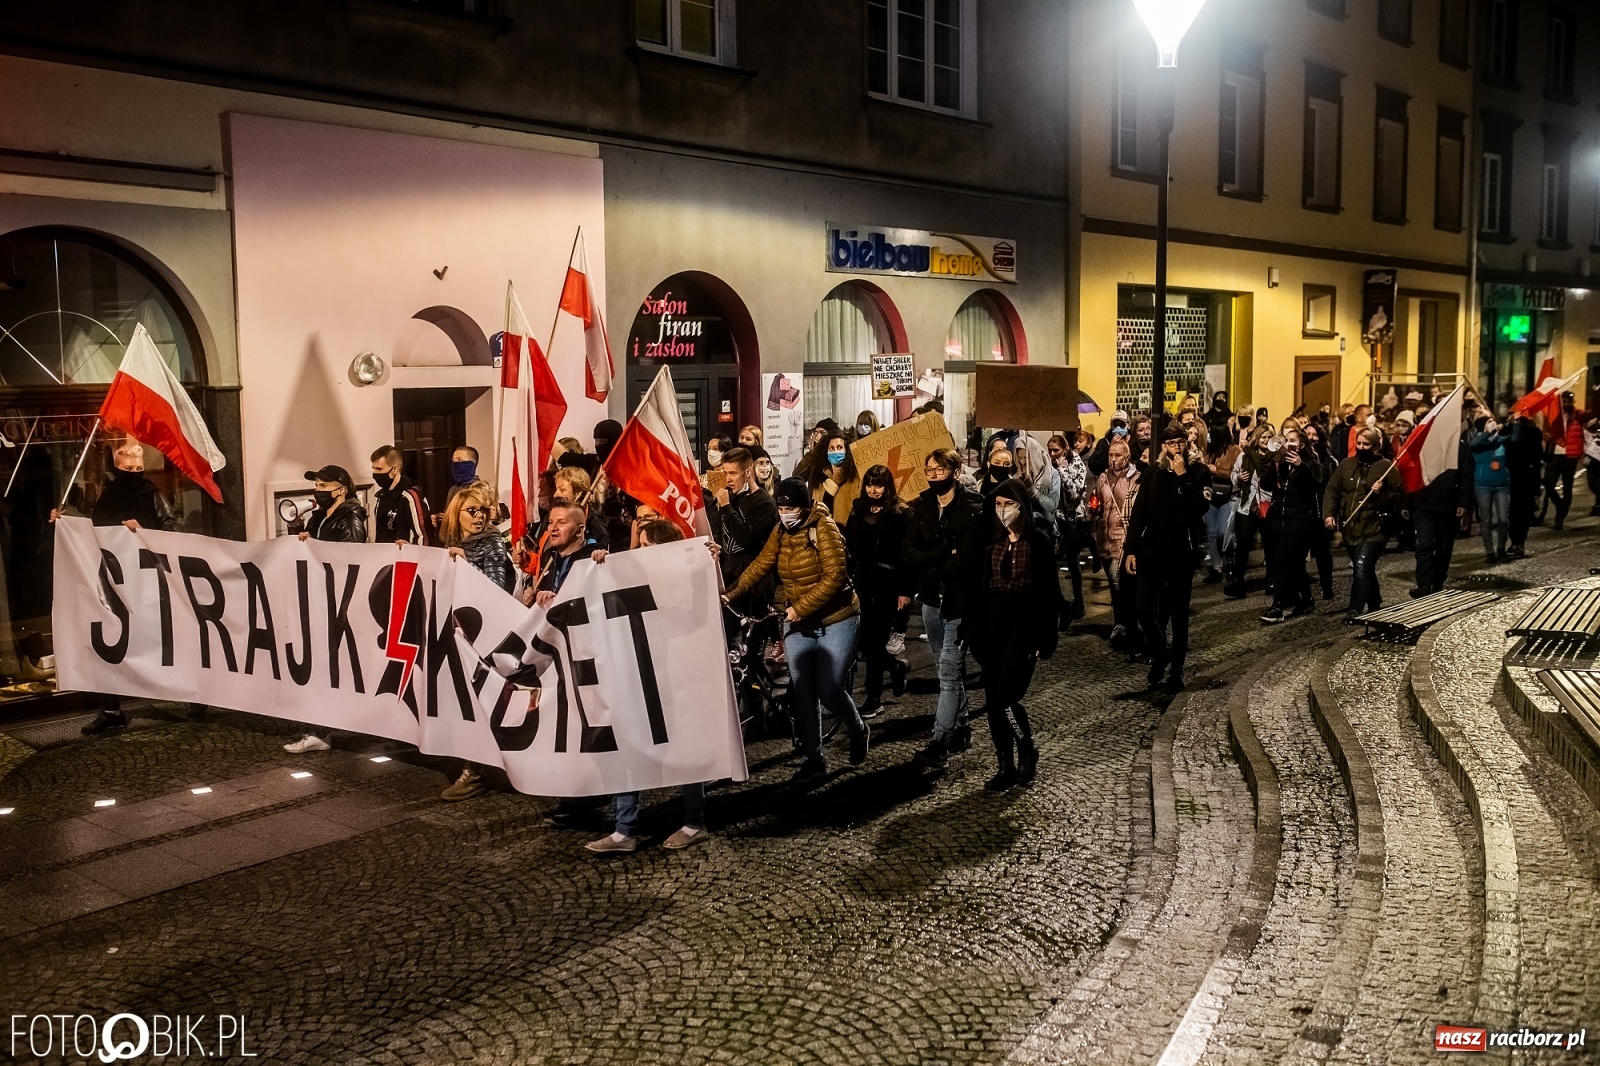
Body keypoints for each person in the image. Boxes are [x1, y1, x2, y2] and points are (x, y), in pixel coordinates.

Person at [724, 478, 870, 782]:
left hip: (837, 617)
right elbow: (762, 563)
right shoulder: (781, 531)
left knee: (829, 688)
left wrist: (799, 608)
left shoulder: (824, 529)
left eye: (791, 507)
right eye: (781, 506)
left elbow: (835, 577)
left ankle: (858, 729)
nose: (785, 512)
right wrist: (730, 593)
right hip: (799, 620)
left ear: (804, 507)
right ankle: (815, 759)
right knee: (803, 690)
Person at [586, 518, 713, 854]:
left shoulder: (686, 574)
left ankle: (694, 821)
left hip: (676, 674)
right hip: (640, 673)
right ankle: (624, 828)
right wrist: (603, 562)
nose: (641, 552)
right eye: (639, 546)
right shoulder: (632, 575)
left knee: (685, 746)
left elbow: (704, 612)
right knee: (631, 743)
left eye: (647, 546)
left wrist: (705, 563)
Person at [61, 438, 177, 734]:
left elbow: (172, 532)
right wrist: (64, 520)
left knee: (159, 638)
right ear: (117, 468)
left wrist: (143, 531)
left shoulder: (152, 495)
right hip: (112, 580)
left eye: (139, 467)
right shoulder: (108, 495)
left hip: (146, 581)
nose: (135, 472)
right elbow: (92, 526)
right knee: (111, 639)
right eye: (129, 467)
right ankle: (111, 708)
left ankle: (190, 694)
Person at [961, 477, 1062, 791]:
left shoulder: (1039, 543)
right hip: (993, 626)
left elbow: (1049, 593)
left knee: (1006, 695)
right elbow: (975, 586)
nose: (1002, 510)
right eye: (998, 504)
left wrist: (1045, 638)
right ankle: (1004, 762)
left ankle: (1026, 747)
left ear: (1022, 506)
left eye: (1009, 504)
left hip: (1023, 624)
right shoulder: (989, 540)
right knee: (993, 699)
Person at [437, 481, 515, 802]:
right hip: (459, 636)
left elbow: (495, 589)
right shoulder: (459, 542)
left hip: (482, 641)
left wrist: (466, 565)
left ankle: (475, 773)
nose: (479, 517)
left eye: (484, 510)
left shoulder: (491, 544)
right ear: (457, 513)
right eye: (472, 511)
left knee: (477, 704)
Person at [284, 464, 368, 753]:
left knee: (332, 665)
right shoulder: (320, 516)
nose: (317, 492)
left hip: (337, 602)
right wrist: (300, 532)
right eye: (316, 486)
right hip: (319, 597)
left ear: (340, 489)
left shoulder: (351, 518)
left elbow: (350, 558)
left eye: (323, 486)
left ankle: (323, 729)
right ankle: (321, 727)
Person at [905, 448, 981, 767]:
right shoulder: (921, 507)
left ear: (955, 470)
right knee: (943, 668)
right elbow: (910, 553)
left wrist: (932, 561)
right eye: (929, 470)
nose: (934, 475)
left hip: (958, 601)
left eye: (939, 470)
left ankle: (939, 741)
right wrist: (941, 556)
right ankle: (962, 726)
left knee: (949, 673)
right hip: (931, 601)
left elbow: (963, 562)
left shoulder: (972, 509)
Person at [1123, 424, 1208, 691]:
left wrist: (1183, 477)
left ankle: (1176, 672)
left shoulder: (1198, 472)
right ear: (1163, 446)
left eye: (1180, 442)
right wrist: (1131, 550)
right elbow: (1138, 514)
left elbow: (1199, 508)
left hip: (1181, 553)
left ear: (1187, 443)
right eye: (1171, 443)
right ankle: (1160, 652)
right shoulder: (1153, 473)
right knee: (1141, 607)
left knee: (1178, 615)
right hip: (1152, 551)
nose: (1176, 448)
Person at [844, 465, 912, 718]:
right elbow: (850, 542)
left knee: (874, 642)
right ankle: (895, 667)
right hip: (862, 582)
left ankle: (874, 698)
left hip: (888, 583)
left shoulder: (900, 512)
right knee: (863, 642)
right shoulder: (858, 507)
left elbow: (906, 554)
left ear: (887, 486)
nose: (873, 490)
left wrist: (905, 591)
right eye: (870, 484)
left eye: (879, 484)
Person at [1324, 427, 1401, 617]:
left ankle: (1355, 608)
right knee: (1364, 568)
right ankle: (1374, 600)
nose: (1361, 447)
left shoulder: (1386, 467)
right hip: (1350, 526)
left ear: (1375, 446)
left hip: (1375, 527)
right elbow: (1332, 490)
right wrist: (1329, 514)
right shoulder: (1346, 465)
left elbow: (1400, 496)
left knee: (1361, 565)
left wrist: (1380, 492)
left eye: (1366, 444)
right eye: (1358, 443)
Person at [1259, 427, 1325, 624]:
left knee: (1281, 559)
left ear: (1302, 444)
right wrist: (1275, 465)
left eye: (1293, 440)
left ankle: (1277, 607)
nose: (1288, 444)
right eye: (1286, 440)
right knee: (1295, 563)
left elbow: (1316, 486)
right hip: (1279, 520)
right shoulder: (1280, 463)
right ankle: (1306, 600)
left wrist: (1300, 466)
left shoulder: (1311, 463)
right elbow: (1266, 485)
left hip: (1299, 521)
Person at [708, 446, 778, 616]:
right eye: (725, 473)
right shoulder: (730, 498)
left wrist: (726, 506)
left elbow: (744, 538)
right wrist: (720, 550)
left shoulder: (764, 503)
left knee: (752, 637)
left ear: (748, 473)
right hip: (729, 574)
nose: (728, 479)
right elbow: (725, 536)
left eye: (733, 473)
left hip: (754, 580)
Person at [1406, 429, 1474, 597]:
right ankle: (1423, 583)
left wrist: (1463, 503)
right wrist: (1406, 503)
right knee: (1424, 544)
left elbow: (1466, 475)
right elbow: (1409, 473)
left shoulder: (1459, 447)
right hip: (1423, 504)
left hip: (1447, 506)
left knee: (1443, 546)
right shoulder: (1421, 445)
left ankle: (1438, 581)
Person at [1093, 438, 1142, 651]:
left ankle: (1126, 624)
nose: (1113, 459)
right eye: (1111, 455)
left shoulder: (1135, 477)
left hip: (1122, 535)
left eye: (1118, 455)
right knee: (1113, 584)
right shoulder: (1103, 477)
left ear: (1127, 456)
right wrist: (1093, 507)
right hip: (1104, 535)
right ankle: (1121, 622)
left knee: (1117, 580)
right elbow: (1100, 503)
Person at [1225, 424, 1277, 599]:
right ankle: (1238, 581)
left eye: (1269, 437)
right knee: (1243, 545)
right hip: (1247, 505)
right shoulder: (1245, 455)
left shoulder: (1276, 457)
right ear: (1256, 438)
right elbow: (1233, 474)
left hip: (1268, 504)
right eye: (1263, 437)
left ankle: (1271, 579)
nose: (1266, 440)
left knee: (1270, 545)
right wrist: (1238, 478)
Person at [1049, 432, 1090, 620]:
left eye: (1055, 450)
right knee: (1058, 560)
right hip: (1058, 518)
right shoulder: (1050, 465)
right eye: (1049, 451)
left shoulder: (1077, 465)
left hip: (1074, 518)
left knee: (1072, 561)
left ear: (1065, 450)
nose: (1052, 454)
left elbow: (1074, 494)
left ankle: (1078, 601)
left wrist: (1062, 471)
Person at [1541, 391, 1590, 530]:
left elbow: (1593, 413)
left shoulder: (1578, 416)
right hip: (1556, 455)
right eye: (1564, 401)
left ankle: (1559, 518)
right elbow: (1549, 434)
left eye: (1569, 401)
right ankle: (1560, 506)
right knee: (1549, 485)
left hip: (1570, 456)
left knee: (1567, 488)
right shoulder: (1554, 416)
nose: (1567, 404)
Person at [1300, 422, 1337, 599]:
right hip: (1303, 511)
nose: (1311, 438)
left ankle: (1327, 586)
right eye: (1308, 434)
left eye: (1315, 435)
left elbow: (1331, 488)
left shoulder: (1329, 461)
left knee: (1322, 553)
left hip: (1320, 512)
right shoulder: (1299, 458)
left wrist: (1330, 513)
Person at [1471, 415, 1512, 563]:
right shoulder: (1478, 441)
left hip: (1502, 485)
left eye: (1493, 421)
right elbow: (1473, 443)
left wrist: (1509, 423)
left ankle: (1501, 548)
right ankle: (1489, 551)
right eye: (1489, 422)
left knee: (1503, 519)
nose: (1493, 423)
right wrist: (1489, 433)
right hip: (1483, 485)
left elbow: (1513, 434)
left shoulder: (1502, 440)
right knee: (1486, 520)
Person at [370, 445, 431, 546]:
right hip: (384, 557)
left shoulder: (410, 497)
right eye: (374, 469)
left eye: (379, 469)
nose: (375, 474)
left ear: (395, 469)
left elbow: (424, 536)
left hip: (404, 558)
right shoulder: (381, 497)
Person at [1202, 428, 1240, 584]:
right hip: (1211, 494)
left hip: (1228, 495)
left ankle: (1230, 561)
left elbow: (1236, 472)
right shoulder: (1209, 451)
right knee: (1211, 533)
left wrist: (1217, 470)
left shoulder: (1234, 450)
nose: (1209, 436)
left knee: (1222, 533)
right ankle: (1216, 568)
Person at [1505, 411, 1544, 556]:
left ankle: (1519, 541)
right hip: (1514, 476)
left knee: (1522, 511)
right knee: (1514, 511)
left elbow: (1537, 455)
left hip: (1526, 476)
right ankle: (1515, 541)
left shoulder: (1533, 432)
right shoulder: (1509, 430)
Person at [803, 429, 859, 526]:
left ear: (846, 451)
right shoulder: (820, 477)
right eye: (831, 448)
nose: (835, 451)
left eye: (839, 447)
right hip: (823, 533)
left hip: (846, 533)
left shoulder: (855, 478)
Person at [1087, 411, 1129, 476]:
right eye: (1115, 425)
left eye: (1121, 425)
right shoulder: (1103, 442)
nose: (1118, 428)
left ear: (1127, 425)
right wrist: (1110, 447)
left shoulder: (1133, 441)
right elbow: (1094, 466)